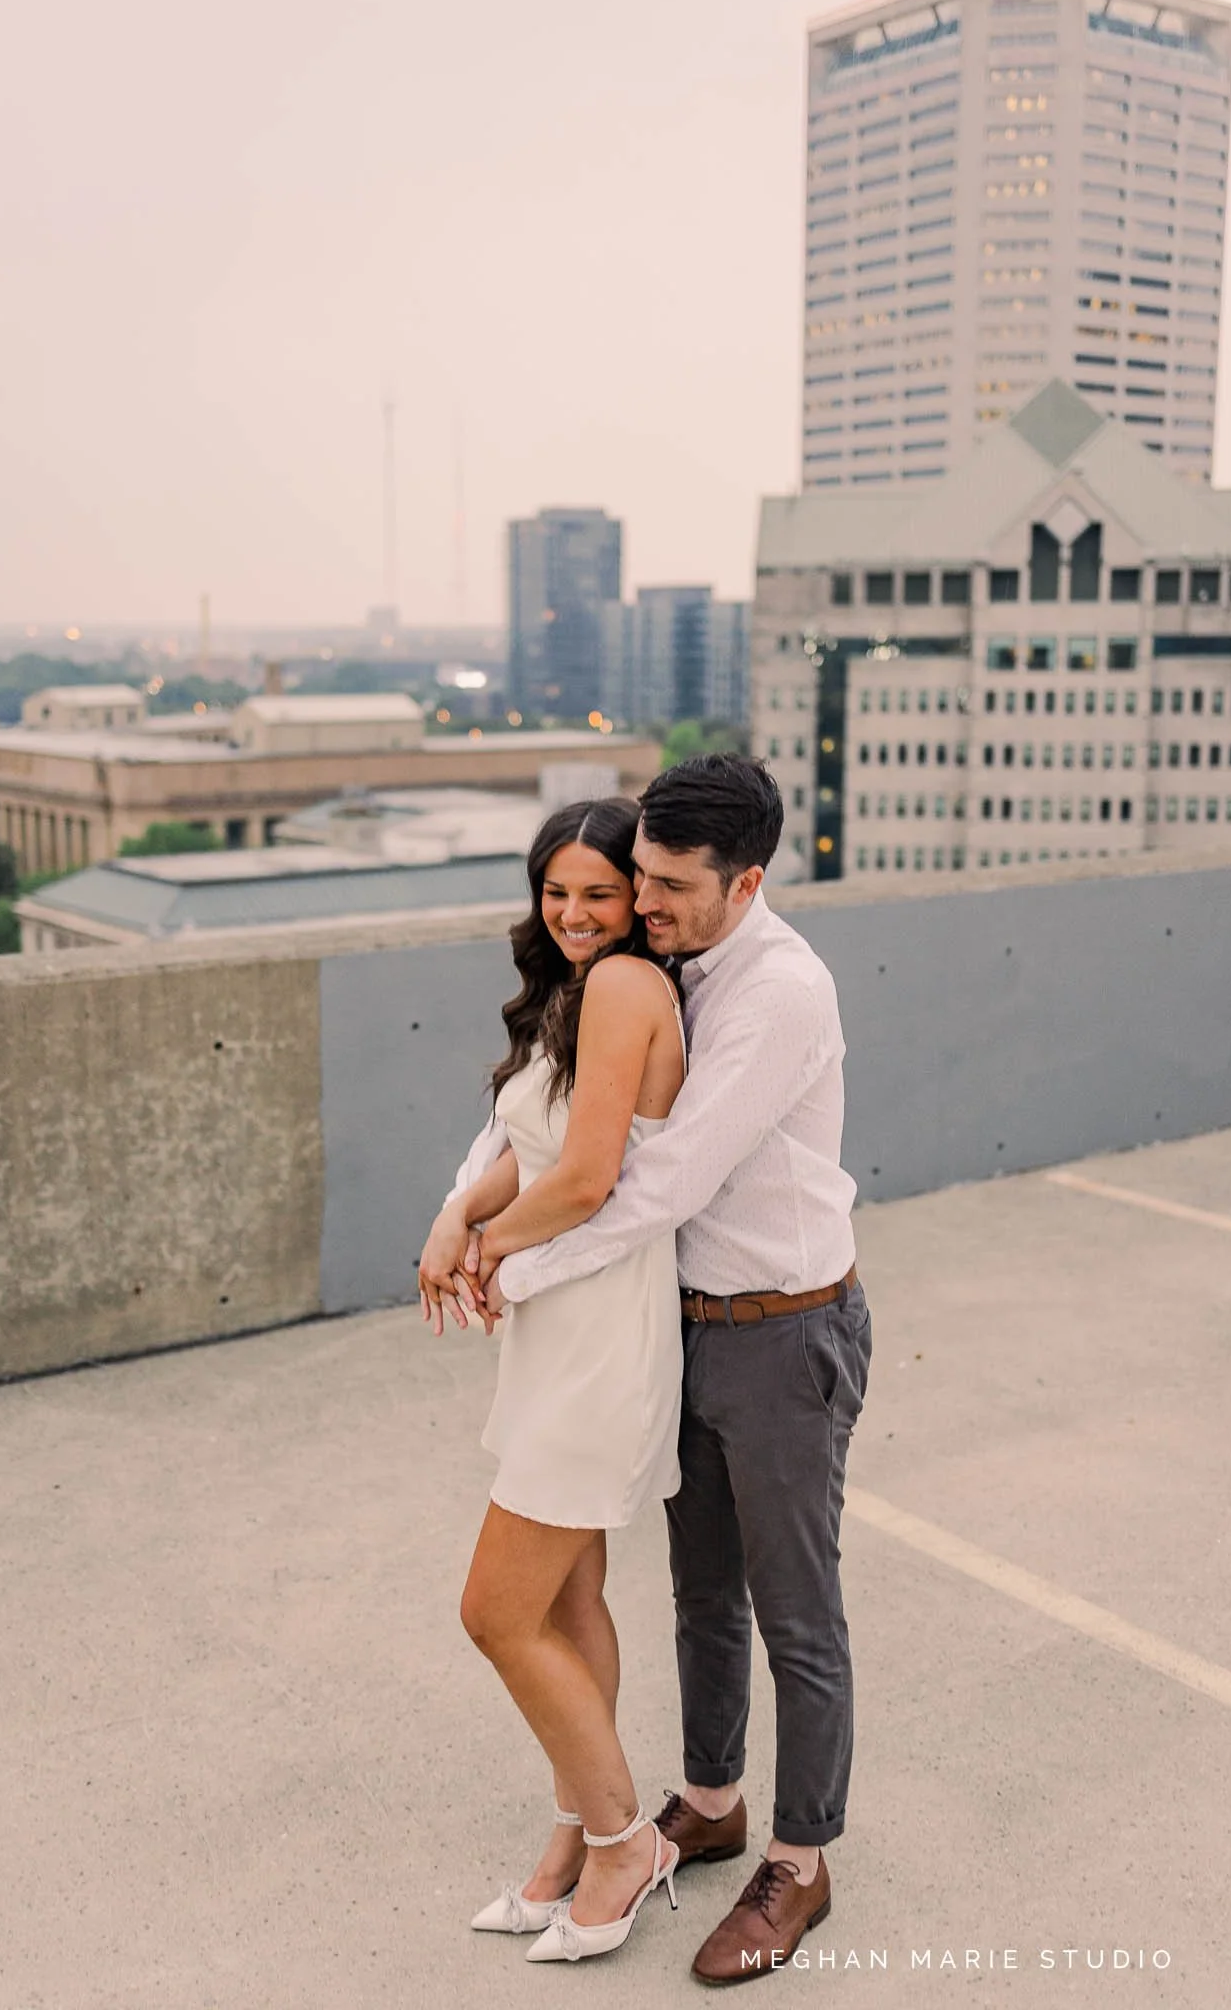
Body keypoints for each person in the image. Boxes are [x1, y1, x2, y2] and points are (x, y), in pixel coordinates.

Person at [452, 752, 873, 1987]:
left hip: (785, 1327)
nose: (643, 904)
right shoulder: (656, 955)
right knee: (698, 1596)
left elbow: (656, 1179)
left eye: (672, 886)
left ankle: (800, 1859)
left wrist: (504, 1268)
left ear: (748, 881)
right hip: (684, 1322)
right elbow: (539, 1107)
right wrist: (461, 1217)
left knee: (796, 1614)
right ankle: (710, 1797)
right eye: (638, 877)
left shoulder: (779, 990)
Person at [418, 795, 687, 1965]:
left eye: (599, 890)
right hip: (556, 1326)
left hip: (599, 1332)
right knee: (570, 1603)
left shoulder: (629, 987)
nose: (575, 912)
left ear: (639, 896)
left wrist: (487, 1247)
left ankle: (630, 1839)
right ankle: (579, 1826)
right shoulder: (575, 995)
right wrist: (455, 1212)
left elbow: (584, 1178)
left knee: (494, 1608)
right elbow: (525, 1149)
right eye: (556, 890)